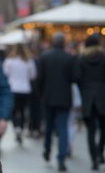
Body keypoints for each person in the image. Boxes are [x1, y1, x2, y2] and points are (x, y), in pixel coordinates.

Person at [75, 35, 105, 170]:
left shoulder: (81, 59)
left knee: (91, 131)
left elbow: (78, 78)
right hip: (103, 97)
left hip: (87, 98)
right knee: (104, 129)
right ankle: (100, 151)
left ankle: (94, 159)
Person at [37, 33, 75, 171]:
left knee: (48, 126)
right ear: (64, 42)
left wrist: (41, 95)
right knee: (62, 128)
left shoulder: (44, 57)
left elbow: (39, 79)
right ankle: (61, 158)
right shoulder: (69, 58)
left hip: (48, 97)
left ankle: (47, 150)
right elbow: (74, 78)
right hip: (64, 98)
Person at [3, 44, 36, 145]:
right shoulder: (29, 61)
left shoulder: (9, 60)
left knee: (13, 110)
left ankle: (16, 127)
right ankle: (21, 128)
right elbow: (33, 75)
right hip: (25, 89)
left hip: (13, 88)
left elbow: (5, 74)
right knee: (22, 110)